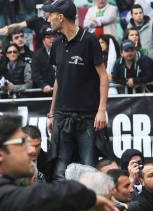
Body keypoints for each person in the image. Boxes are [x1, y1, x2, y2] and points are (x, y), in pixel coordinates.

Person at [45, 0, 109, 180]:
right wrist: (51, 113)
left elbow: (104, 76)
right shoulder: (57, 44)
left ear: (60, 17)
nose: (48, 19)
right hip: (62, 117)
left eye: (50, 15)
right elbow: (58, 79)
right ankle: (63, 209)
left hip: (87, 118)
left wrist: (101, 110)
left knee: (89, 170)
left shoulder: (89, 40)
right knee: (59, 171)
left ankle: (89, 207)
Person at [32, 27, 57, 95]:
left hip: (63, 90)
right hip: (47, 92)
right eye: (48, 37)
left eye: (54, 36)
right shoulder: (37, 55)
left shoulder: (63, 51)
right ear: (43, 40)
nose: (52, 39)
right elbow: (35, 74)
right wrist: (43, 85)